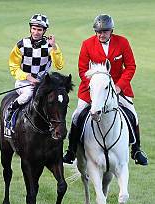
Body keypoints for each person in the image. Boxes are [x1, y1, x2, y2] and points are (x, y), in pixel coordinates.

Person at [63, 14, 148, 166]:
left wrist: (119, 86)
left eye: (104, 31)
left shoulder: (122, 42)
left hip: (118, 88)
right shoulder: (87, 44)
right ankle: (71, 151)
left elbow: (130, 67)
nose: (101, 35)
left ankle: (136, 149)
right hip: (93, 89)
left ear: (111, 31)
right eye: (98, 32)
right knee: (77, 115)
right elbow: (82, 70)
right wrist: (96, 87)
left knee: (133, 113)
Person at [5, 14, 64, 135]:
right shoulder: (21, 44)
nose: (36, 32)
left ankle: (56, 125)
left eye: (39, 30)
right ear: (30, 29)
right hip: (24, 81)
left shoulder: (50, 46)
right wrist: (28, 77)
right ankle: (11, 110)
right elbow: (14, 67)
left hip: (42, 83)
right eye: (34, 29)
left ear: (44, 31)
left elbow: (59, 65)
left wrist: (54, 47)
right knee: (29, 94)